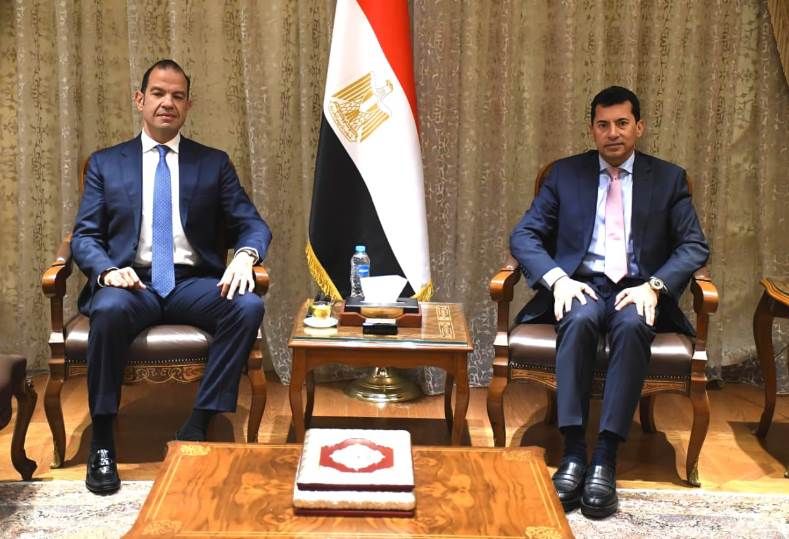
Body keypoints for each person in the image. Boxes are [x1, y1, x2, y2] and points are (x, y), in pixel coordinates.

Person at [71, 59, 272, 494]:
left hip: (190, 283)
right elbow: (85, 236)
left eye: (177, 96)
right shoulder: (107, 164)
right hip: (132, 282)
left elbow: (251, 224)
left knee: (247, 306)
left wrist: (245, 256)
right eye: (158, 93)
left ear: (188, 105)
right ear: (139, 100)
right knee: (108, 309)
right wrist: (107, 271)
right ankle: (102, 440)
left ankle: (198, 422)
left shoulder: (213, 163)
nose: (168, 103)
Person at [510, 86, 708, 519]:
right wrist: (558, 280)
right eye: (603, 125)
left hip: (637, 287)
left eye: (622, 123)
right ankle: (574, 452)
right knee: (578, 319)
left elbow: (693, 245)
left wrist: (655, 285)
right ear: (592, 130)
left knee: (635, 323)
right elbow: (524, 236)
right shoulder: (565, 175)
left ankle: (605, 456)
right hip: (580, 284)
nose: (613, 133)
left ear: (639, 127)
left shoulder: (668, 179)